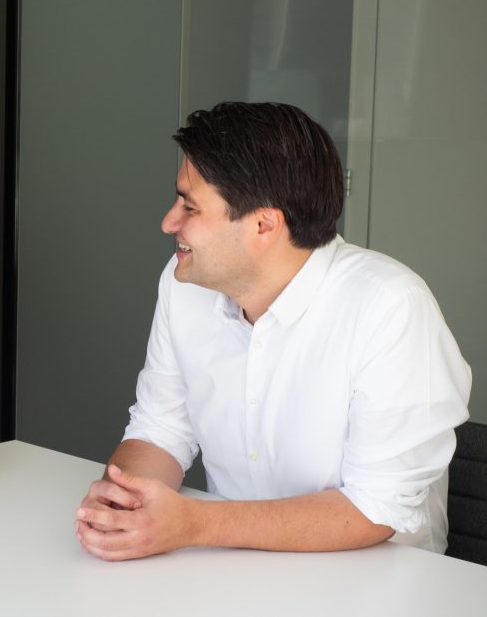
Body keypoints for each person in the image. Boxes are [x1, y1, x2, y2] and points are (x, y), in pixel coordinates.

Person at [75, 102, 470, 560]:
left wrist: (192, 524)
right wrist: (122, 504)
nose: (169, 223)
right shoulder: (186, 284)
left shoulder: (390, 307)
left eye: (190, 206)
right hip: (238, 563)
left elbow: (375, 508)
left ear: (264, 224)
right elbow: (160, 427)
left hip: (374, 581)